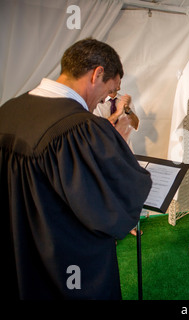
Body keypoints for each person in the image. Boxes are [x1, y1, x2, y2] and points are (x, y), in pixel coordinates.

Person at [0, 38, 152, 299]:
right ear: (97, 74)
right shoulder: (81, 128)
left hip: (20, 256)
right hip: (65, 268)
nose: (107, 97)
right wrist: (115, 139)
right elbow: (116, 204)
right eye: (110, 89)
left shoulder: (8, 110)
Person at [94, 81, 142, 237]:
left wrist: (126, 110)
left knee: (126, 190)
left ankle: (128, 224)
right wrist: (118, 112)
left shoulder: (123, 100)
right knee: (107, 193)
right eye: (116, 80)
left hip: (126, 153)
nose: (119, 84)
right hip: (105, 156)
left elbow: (136, 125)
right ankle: (110, 232)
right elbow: (100, 130)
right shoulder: (96, 102)